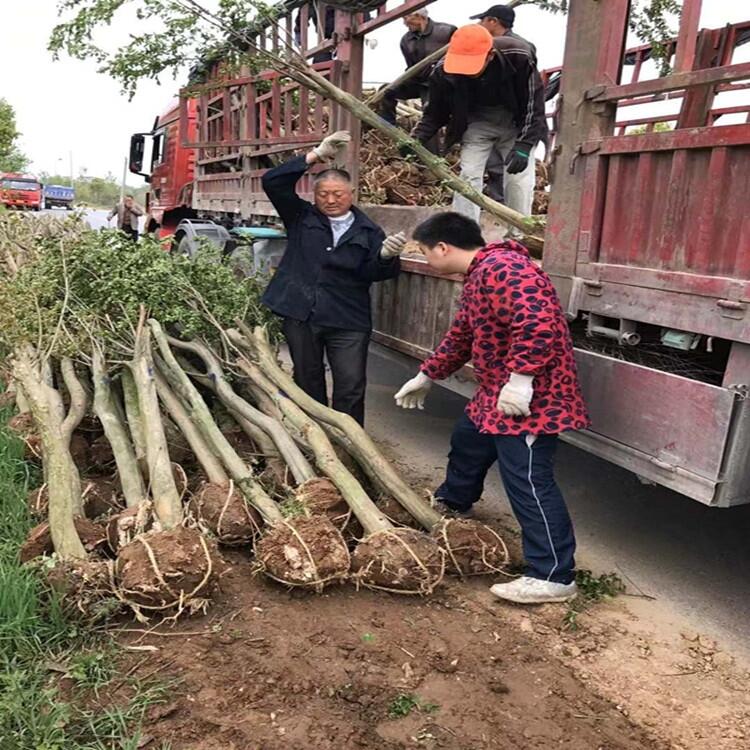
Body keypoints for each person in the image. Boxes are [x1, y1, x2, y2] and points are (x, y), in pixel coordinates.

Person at [394, 212, 589, 604]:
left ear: (443, 248)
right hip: (496, 393)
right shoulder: (480, 274)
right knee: (469, 438)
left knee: (528, 479)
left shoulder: (504, 269)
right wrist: (428, 374)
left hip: (533, 399)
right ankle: (453, 503)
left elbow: (539, 323)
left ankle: (553, 575)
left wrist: (521, 380)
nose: (427, 260)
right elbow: (463, 333)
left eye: (425, 253)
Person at [261, 131, 404, 426]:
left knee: (351, 386)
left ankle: (350, 444)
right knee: (307, 380)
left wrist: (386, 258)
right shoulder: (301, 216)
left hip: (347, 318)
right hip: (302, 312)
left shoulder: (369, 231)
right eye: (323, 194)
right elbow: (272, 181)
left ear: (352, 194)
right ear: (314, 196)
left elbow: (372, 274)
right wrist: (315, 155)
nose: (330, 200)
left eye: (337, 194)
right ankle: (315, 440)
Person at [412, 24, 546, 223]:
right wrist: (417, 138)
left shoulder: (518, 57)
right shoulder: (443, 71)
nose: (467, 72)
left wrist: (524, 145)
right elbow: (435, 112)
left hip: (515, 123)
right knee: (468, 177)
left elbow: (533, 105)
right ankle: (465, 235)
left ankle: (518, 235)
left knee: (518, 179)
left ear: (490, 55)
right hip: (476, 123)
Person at [470, 4, 539, 204]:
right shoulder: (477, 45)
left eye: (482, 20)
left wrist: (526, 141)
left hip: (512, 118)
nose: (478, 24)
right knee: (476, 172)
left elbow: (531, 92)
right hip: (482, 118)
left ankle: (517, 229)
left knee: (518, 175)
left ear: (493, 21)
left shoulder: (520, 49)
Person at [380, 9, 456, 130]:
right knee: (386, 91)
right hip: (418, 81)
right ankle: (388, 128)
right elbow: (411, 66)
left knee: (430, 112)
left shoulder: (447, 31)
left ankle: (430, 148)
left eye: (405, 18)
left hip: (440, 83)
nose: (404, 23)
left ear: (418, 16)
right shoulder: (406, 40)